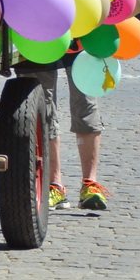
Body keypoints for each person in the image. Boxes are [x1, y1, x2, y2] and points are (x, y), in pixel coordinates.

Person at [44, 63, 108, 212]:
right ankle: (54, 186)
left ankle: (89, 184)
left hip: (80, 43)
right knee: (42, 106)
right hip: (42, 42)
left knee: (86, 105)